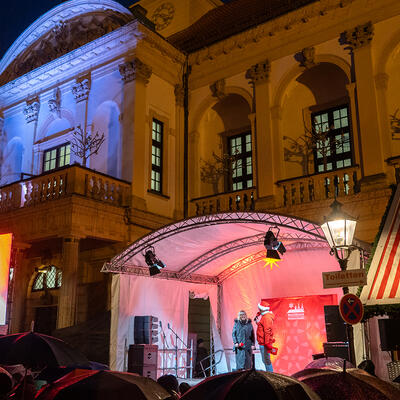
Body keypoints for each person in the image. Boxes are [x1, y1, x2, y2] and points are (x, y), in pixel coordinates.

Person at [255, 300, 275, 372]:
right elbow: (263, 327)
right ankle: (270, 374)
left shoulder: (266, 318)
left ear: (261, 309)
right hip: (263, 342)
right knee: (265, 360)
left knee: (266, 361)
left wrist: (267, 343)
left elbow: (267, 331)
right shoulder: (265, 316)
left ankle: (271, 376)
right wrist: (258, 322)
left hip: (264, 343)